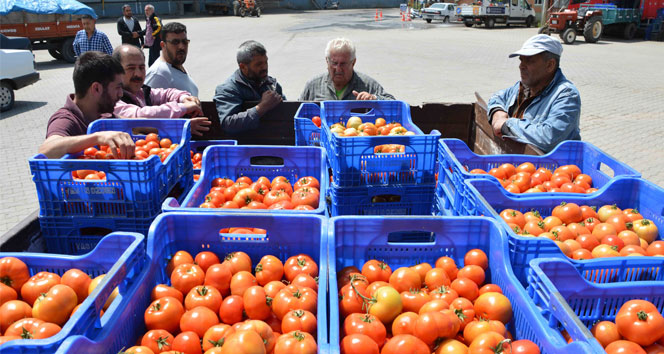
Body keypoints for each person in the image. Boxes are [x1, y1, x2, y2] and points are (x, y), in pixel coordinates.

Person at [487, 34, 581, 152]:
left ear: (550, 65)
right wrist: (498, 113)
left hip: (551, 168)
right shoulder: (523, 87)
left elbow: (549, 137)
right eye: (521, 60)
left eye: (529, 61)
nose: (521, 66)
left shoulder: (566, 95)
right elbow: (498, 97)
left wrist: (507, 125)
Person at [39, 52, 134, 159]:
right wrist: (97, 138)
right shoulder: (65, 119)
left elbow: (131, 124)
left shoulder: (103, 114)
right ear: (96, 88)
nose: (121, 94)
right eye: (117, 88)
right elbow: (46, 151)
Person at [112, 45, 211, 136]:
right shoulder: (112, 99)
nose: (138, 73)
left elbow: (166, 94)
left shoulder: (141, 92)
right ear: (116, 70)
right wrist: (182, 108)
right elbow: (140, 116)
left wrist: (184, 98)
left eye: (141, 68)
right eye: (131, 68)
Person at [213, 40, 284, 134]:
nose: (264, 68)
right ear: (243, 67)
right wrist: (261, 107)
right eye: (259, 64)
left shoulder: (271, 84)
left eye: (265, 62)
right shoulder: (228, 89)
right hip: (243, 145)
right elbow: (228, 123)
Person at [299, 38, 395, 101]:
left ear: (353, 63)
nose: (338, 69)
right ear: (327, 61)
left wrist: (374, 98)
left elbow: (393, 102)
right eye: (334, 63)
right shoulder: (313, 86)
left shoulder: (368, 85)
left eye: (343, 64)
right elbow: (295, 109)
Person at [145, 22, 199, 96]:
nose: (181, 47)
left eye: (184, 42)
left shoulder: (176, 64)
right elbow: (145, 102)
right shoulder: (158, 74)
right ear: (163, 45)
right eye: (175, 42)